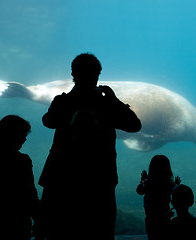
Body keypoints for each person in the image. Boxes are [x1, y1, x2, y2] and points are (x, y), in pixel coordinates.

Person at [37, 53, 142, 240]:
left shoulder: (62, 102)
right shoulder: (106, 104)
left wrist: (64, 101)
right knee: (99, 230)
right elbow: (134, 125)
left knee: (59, 231)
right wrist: (115, 100)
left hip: (61, 177)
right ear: (98, 74)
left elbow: (48, 121)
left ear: (73, 74)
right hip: (100, 178)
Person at [0, 115, 39, 240]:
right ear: (13, 135)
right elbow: (30, 194)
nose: (24, 139)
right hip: (19, 221)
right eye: (23, 135)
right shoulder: (22, 161)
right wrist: (38, 220)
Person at [136, 155, 180, 240]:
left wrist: (143, 180)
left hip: (150, 217)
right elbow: (175, 192)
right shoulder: (168, 183)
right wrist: (177, 185)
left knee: (152, 236)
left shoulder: (148, 182)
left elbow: (139, 191)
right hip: (165, 216)